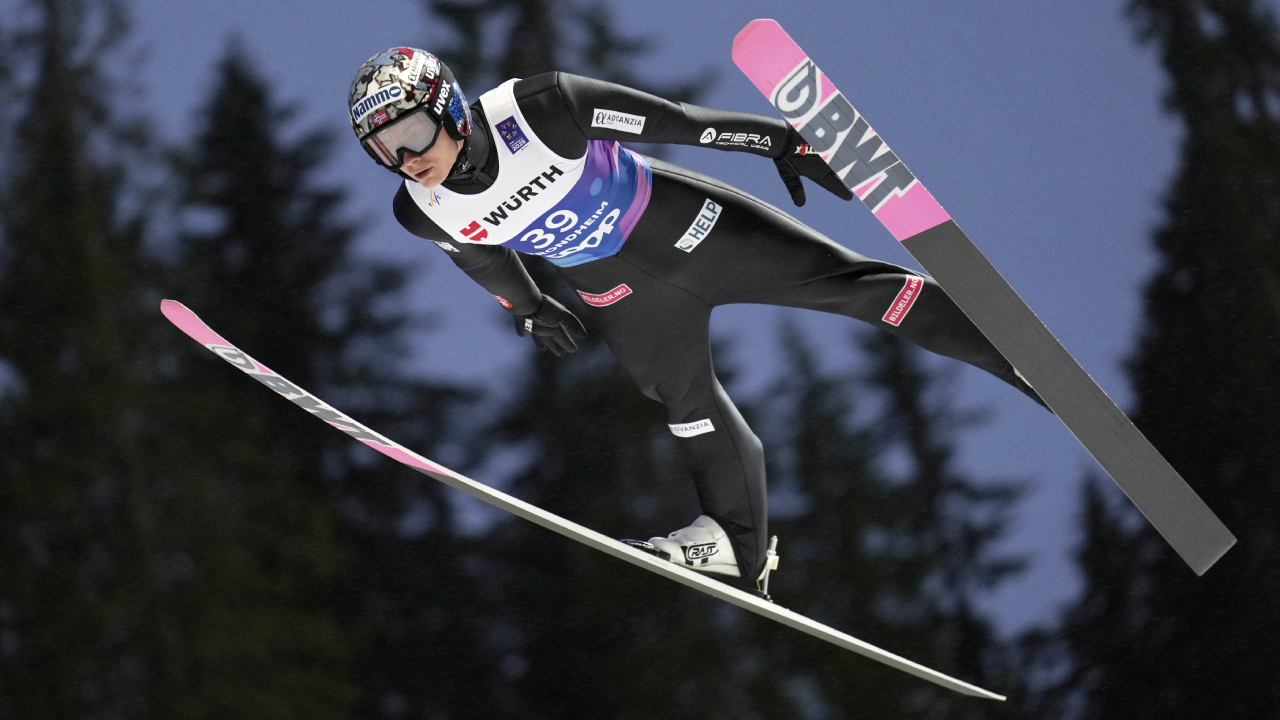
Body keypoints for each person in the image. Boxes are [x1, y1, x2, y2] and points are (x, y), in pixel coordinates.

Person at [349, 47, 1044, 587]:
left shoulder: (542, 109)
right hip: (622, 296)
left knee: (854, 288)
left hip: (698, 233)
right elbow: (479, 255)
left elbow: (682, 123)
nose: (407, 160)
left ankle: (1014, 358)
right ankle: (736, 548)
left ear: (449, 107)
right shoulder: (422, 210)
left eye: (410, 132)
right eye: (384, 150)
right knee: (684, 403)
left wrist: (780, 140)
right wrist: (529, 308)